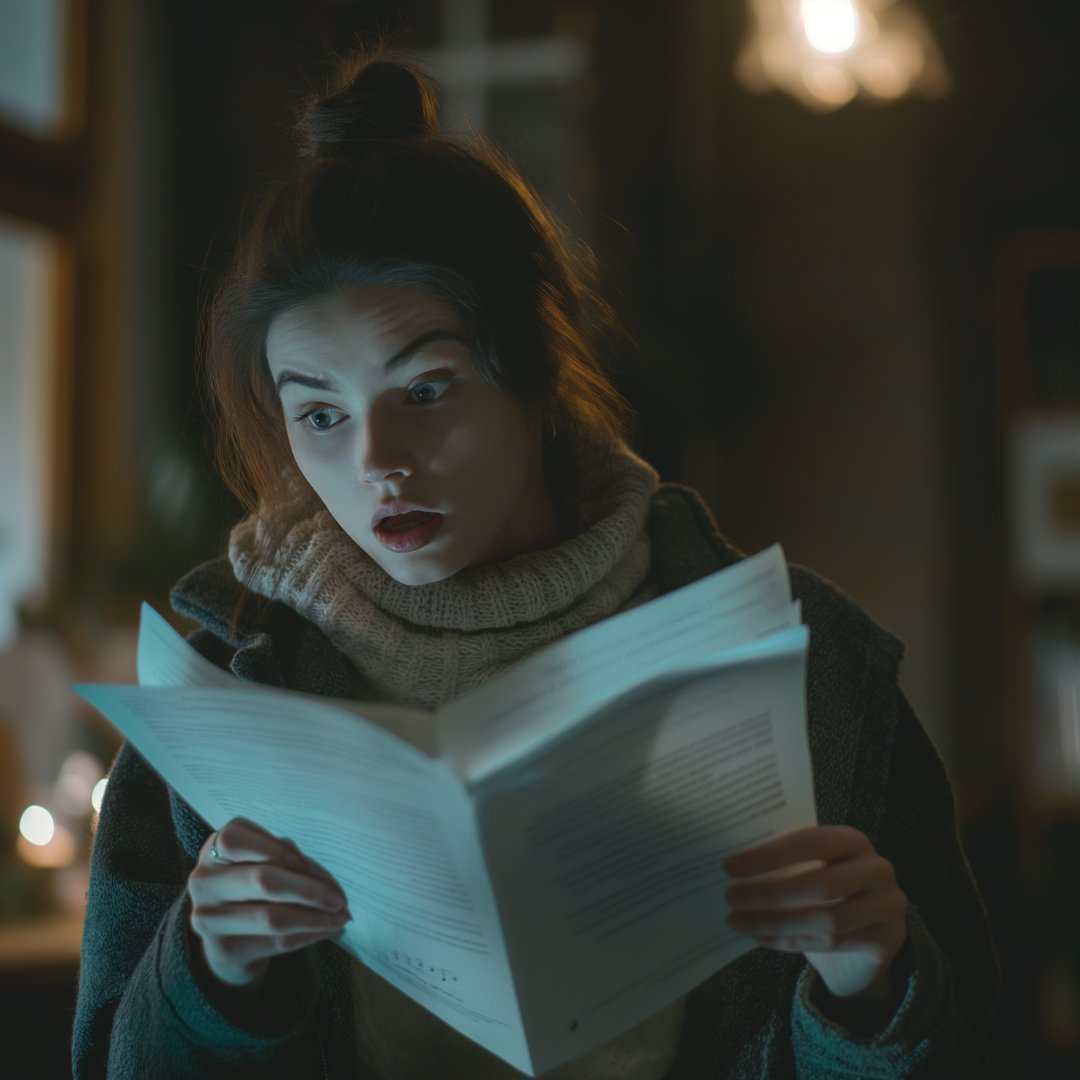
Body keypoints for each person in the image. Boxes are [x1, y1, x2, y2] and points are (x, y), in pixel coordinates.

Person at [72, 41, 999, 1080]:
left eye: (425, 390)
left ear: (537, 373)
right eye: (320, 413)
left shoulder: (812, 660)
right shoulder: (224, 691)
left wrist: (872, 986)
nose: (377, 462)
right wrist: (212, 980)